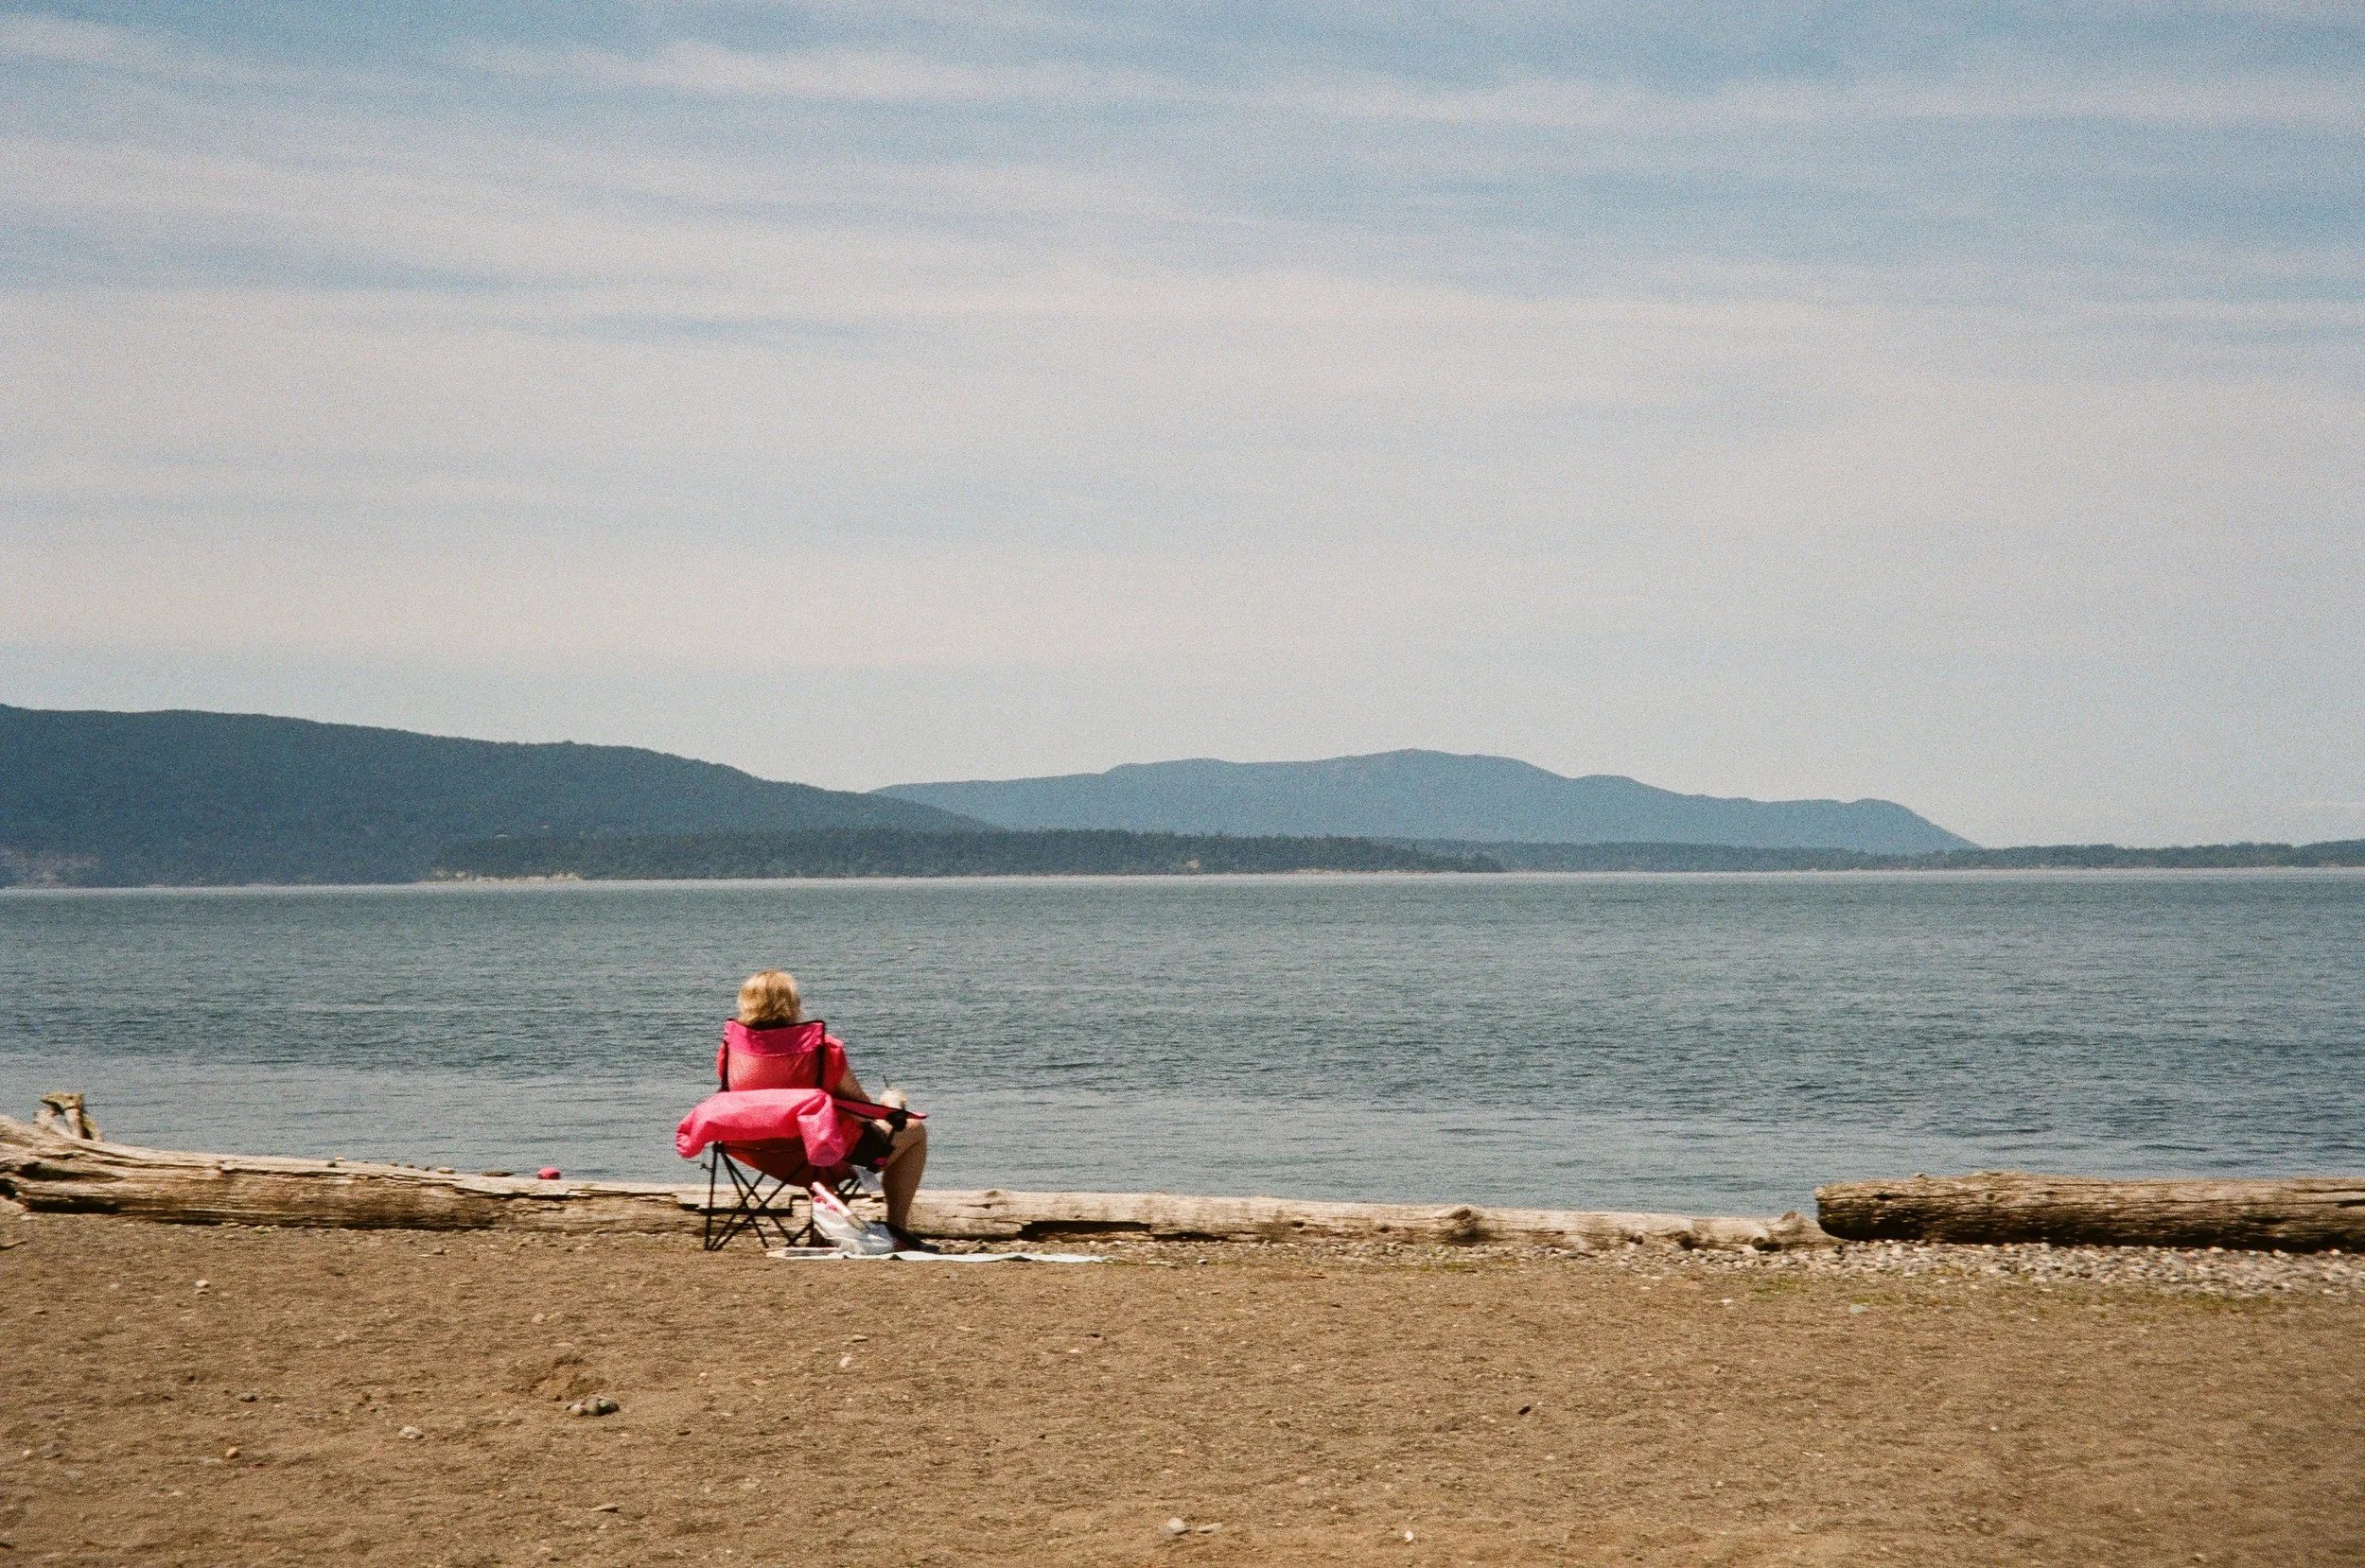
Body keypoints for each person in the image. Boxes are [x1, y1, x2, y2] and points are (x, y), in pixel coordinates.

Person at [723, 969, 933, 1249]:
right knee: (914, 1130)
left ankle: (826, 1223)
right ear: (793, 1004)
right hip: (823, 1158)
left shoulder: (732, 1049)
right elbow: (862, 1111)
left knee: (813, 1134)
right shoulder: (823, 1049)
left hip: (758, 1152)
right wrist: (890, 1103)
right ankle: (897, 1230)